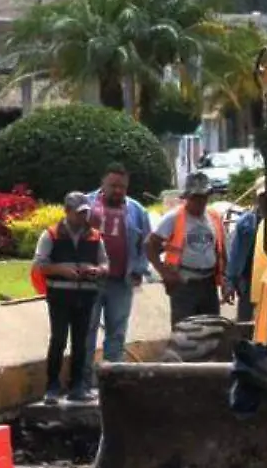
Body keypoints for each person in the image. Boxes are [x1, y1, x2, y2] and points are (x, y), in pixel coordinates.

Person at [32, 191, 108, 403]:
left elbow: (105, 263)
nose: (83, 218)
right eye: (78, 213)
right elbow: (39, 265)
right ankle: (52, 387)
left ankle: (78, 387)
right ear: (67, 212)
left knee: (81, 342)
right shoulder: (51, 235)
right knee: (58, 340)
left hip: (86, 296)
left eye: (85, 213)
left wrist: (98, 271)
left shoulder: (94, 236)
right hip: (59, 296)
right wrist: (61, 269)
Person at [85, 163, 154, 364]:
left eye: (122, 187)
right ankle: (83, 380)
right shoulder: (87, 205)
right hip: (90, 281)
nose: (117, 190)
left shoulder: (137, 211)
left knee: (117, 332)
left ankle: (112, 379)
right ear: (102, 184)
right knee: (86, 331)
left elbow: (146, 243)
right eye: (113, 185)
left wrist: (139, 269)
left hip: (121, 282)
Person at [148, 172, 231, 326]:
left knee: (211, 331)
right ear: (187, 197)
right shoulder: (174, 217)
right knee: (184, 333)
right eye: (196, 197)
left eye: (204, 197)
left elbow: (221, 250)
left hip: (209, 284)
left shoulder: (214, 216)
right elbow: (150, 245)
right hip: (183, 284)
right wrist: (165, 273)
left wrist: (226, 280)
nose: (200, 202)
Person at [226, 185, 267, 323]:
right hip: (249, 277)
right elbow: (235, 253)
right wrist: (230, 281)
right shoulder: (245, 223)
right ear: (257, 198)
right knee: (245, 319)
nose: (266, 200)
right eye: (263, 197)